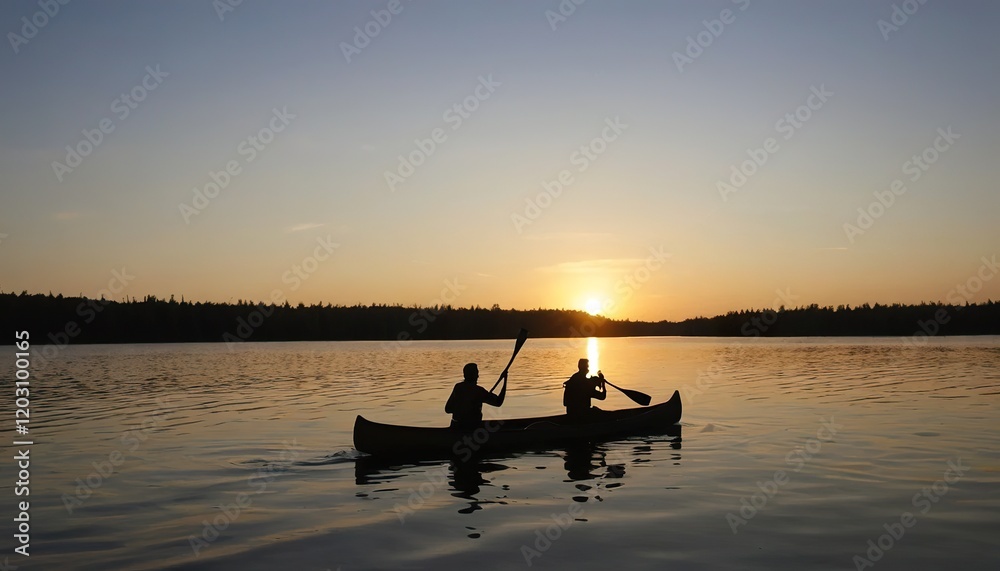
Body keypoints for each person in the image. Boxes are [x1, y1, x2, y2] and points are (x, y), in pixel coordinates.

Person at [445, 363, 507, 429]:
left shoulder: (458, 387)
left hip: (455, 426)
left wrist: (461, 408)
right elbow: (498, 402)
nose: (478, 376)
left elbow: (448, 409)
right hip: (472, 428)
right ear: (474, 376)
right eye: (477, 373)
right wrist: (505, 380)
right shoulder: (479, 391)